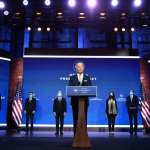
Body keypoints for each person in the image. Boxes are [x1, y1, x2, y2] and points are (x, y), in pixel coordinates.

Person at [68, 61, 92, 136]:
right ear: (75, 68)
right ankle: (76, 136)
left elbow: (90, 89)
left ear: (84, 68)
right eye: (78, 66)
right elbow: (70, 89)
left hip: (84, 102)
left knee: (84, 119)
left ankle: (84, 136)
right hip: (75, 102)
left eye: (81, 66)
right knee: (76, 119)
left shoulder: (87, 77)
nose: (80, 68)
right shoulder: (72, 78)